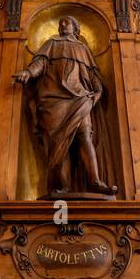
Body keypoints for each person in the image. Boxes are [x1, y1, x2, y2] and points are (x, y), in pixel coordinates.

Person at [14, 16, 117, 197]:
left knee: (84, 135)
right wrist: (28, 73)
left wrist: (98, 88)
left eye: (66, 22)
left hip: (79, 97)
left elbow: (91, 72)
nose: (62, 25)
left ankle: (95, 181)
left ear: (76, 28)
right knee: (60, 144)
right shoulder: (51, 43)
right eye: (60, 22)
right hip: (53, 100)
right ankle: (64, 186)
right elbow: (40, 63)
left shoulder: (82, 48)